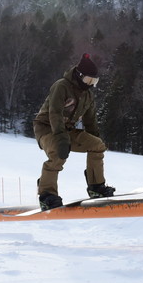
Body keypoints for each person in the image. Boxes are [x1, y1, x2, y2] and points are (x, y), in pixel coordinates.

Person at [33, 53, 115, 210]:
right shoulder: (61, 86)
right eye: (88, 80)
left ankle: (96, 186)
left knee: (97, 145)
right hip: (47, 127)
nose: (90, 84)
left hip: (66, 129)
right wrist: (61, 138)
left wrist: (96, 139)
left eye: (94, 81)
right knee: (58, 152)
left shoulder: (88, 95)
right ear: (79, 75)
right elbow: (55, 113)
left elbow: (90, 121)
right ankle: (47, 194)